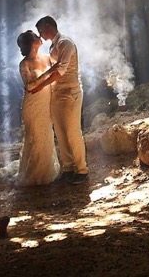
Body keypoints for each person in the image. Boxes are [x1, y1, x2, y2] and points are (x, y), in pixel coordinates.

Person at [33, 16, 89, 184]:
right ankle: (69, 167)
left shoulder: (66, 43)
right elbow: (53, 69)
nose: (41, 35)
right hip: (57, 93)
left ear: (49, 26)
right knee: (60, 132)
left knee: (72, 132)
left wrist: (40, 85)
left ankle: (82, 170)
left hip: (70, 92)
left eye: (41, 31)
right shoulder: (53, 46)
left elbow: (60, 71)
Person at [15, 30, 60, 186]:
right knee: (34, 138)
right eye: (36, 36)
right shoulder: (24, 64)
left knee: (46, 136)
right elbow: (29, 86)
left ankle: (47, 172)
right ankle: (33, 175)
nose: (39, 37)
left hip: (46, 103)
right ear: (31, 43)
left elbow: (59, 71)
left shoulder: (47, 57)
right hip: (33, 105)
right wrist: (49, 71)